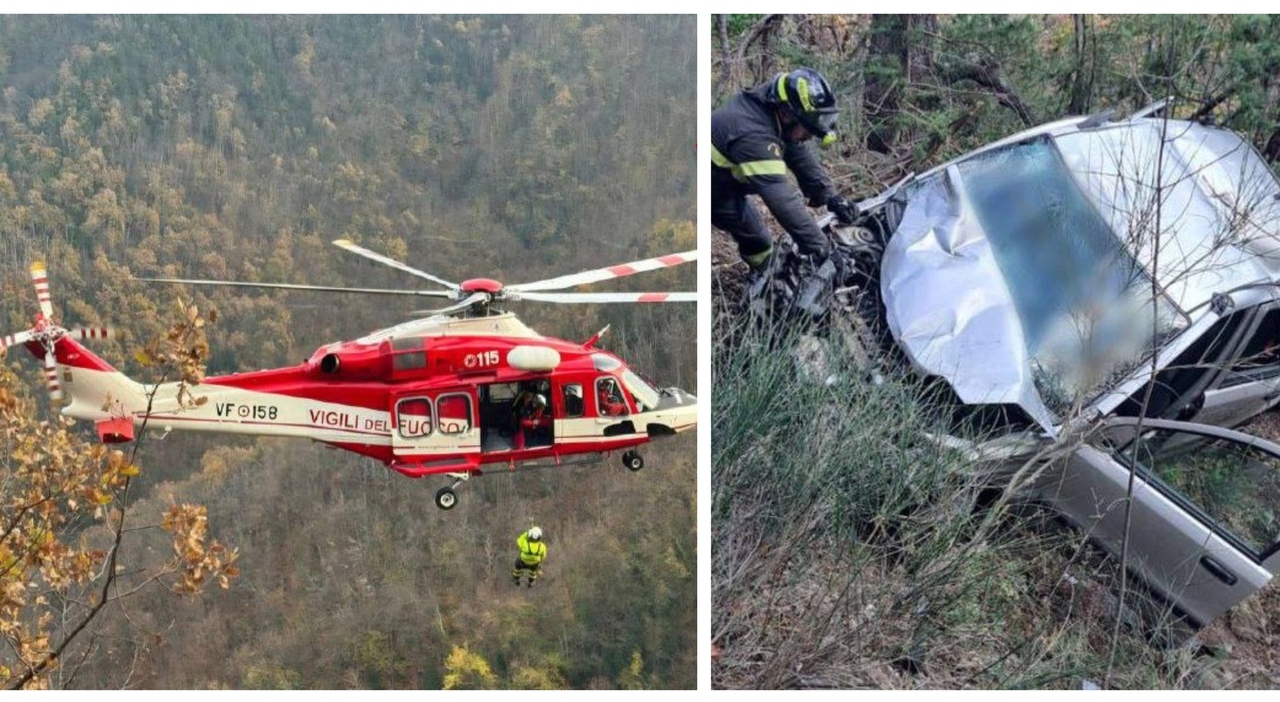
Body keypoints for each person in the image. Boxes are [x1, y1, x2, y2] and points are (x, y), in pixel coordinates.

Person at [712, 67, 856, 276]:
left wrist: (831, 196)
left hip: (721, 184)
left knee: (759, 242)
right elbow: (780, 198)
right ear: (787, 114)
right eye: (807, 130)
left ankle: (766, 278)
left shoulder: (774, 111)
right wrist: (820, 246)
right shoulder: (753, 133)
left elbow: (798, 154)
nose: (808, 137)